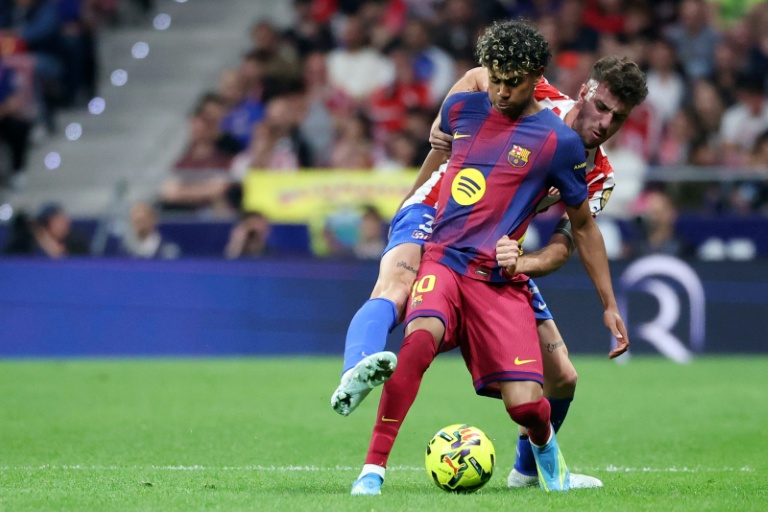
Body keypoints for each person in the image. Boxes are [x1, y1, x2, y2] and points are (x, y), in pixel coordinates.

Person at [348, 19, 630, 496]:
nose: (603, 123)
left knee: (552, 385)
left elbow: (573, 236)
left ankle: (538, 470)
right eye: (601, 107)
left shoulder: (587, 166)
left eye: (616, 118)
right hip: (442, 236)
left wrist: (586, 292)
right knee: (410, 318)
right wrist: (424, 171)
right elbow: (475, 83)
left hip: (500, 265)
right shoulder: (491, 98)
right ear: (584, 92)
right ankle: (368, 446)